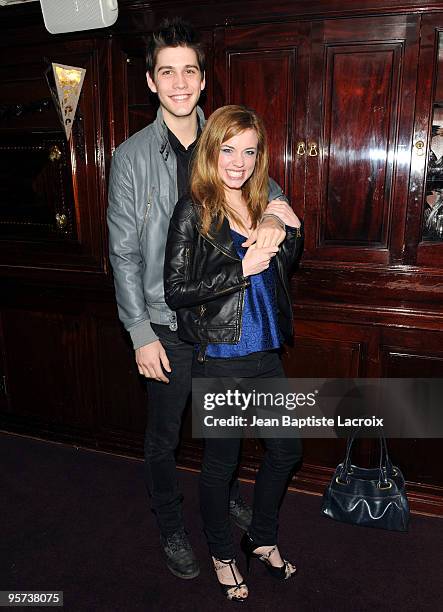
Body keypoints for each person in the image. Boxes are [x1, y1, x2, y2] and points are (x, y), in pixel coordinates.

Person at [107, 19, 299, 580]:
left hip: (228, 324)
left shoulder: (224, 139)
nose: (179, 81)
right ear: (151, 82)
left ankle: (226, 502)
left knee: (226, 431)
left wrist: (270, 217)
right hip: (166, 321)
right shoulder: (131, 157)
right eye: (167, 71)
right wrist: (139, 332)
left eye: (189, 69)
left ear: (202, 79)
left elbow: (275, 201)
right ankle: (170, 523)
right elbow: (123, 254)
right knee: (164, 438)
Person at [164, 105, 303, 601]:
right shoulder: (193, 209)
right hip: (222, 357)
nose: (238, 161)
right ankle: (222, 551)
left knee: (287, 449)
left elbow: (288, 261)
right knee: (221, 465)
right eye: (228, 149)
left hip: (266, 351)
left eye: (249, 151)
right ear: (211, 151)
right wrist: (241, 268)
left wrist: (282, 227)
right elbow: (177, 290)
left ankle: (261, 538)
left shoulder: (266, 201)